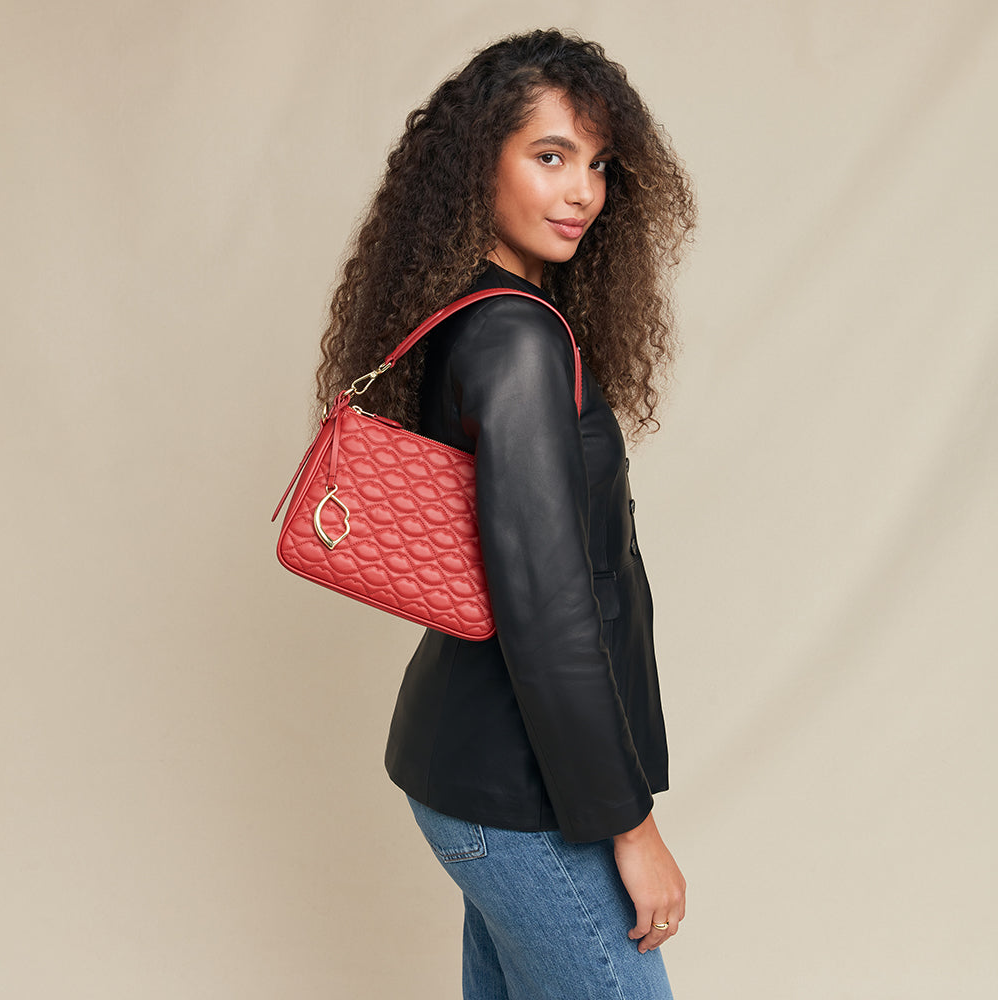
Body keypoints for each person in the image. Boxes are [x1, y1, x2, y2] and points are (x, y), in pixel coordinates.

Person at [315, 28, 696, 1000]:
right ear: (478, 159)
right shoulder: (517, 340)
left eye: (598, 163)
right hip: (526, 798)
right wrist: (632, 826)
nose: (582, 191)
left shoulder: (484, 315)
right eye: (550, 155)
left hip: (479, 778)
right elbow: (549, 611)